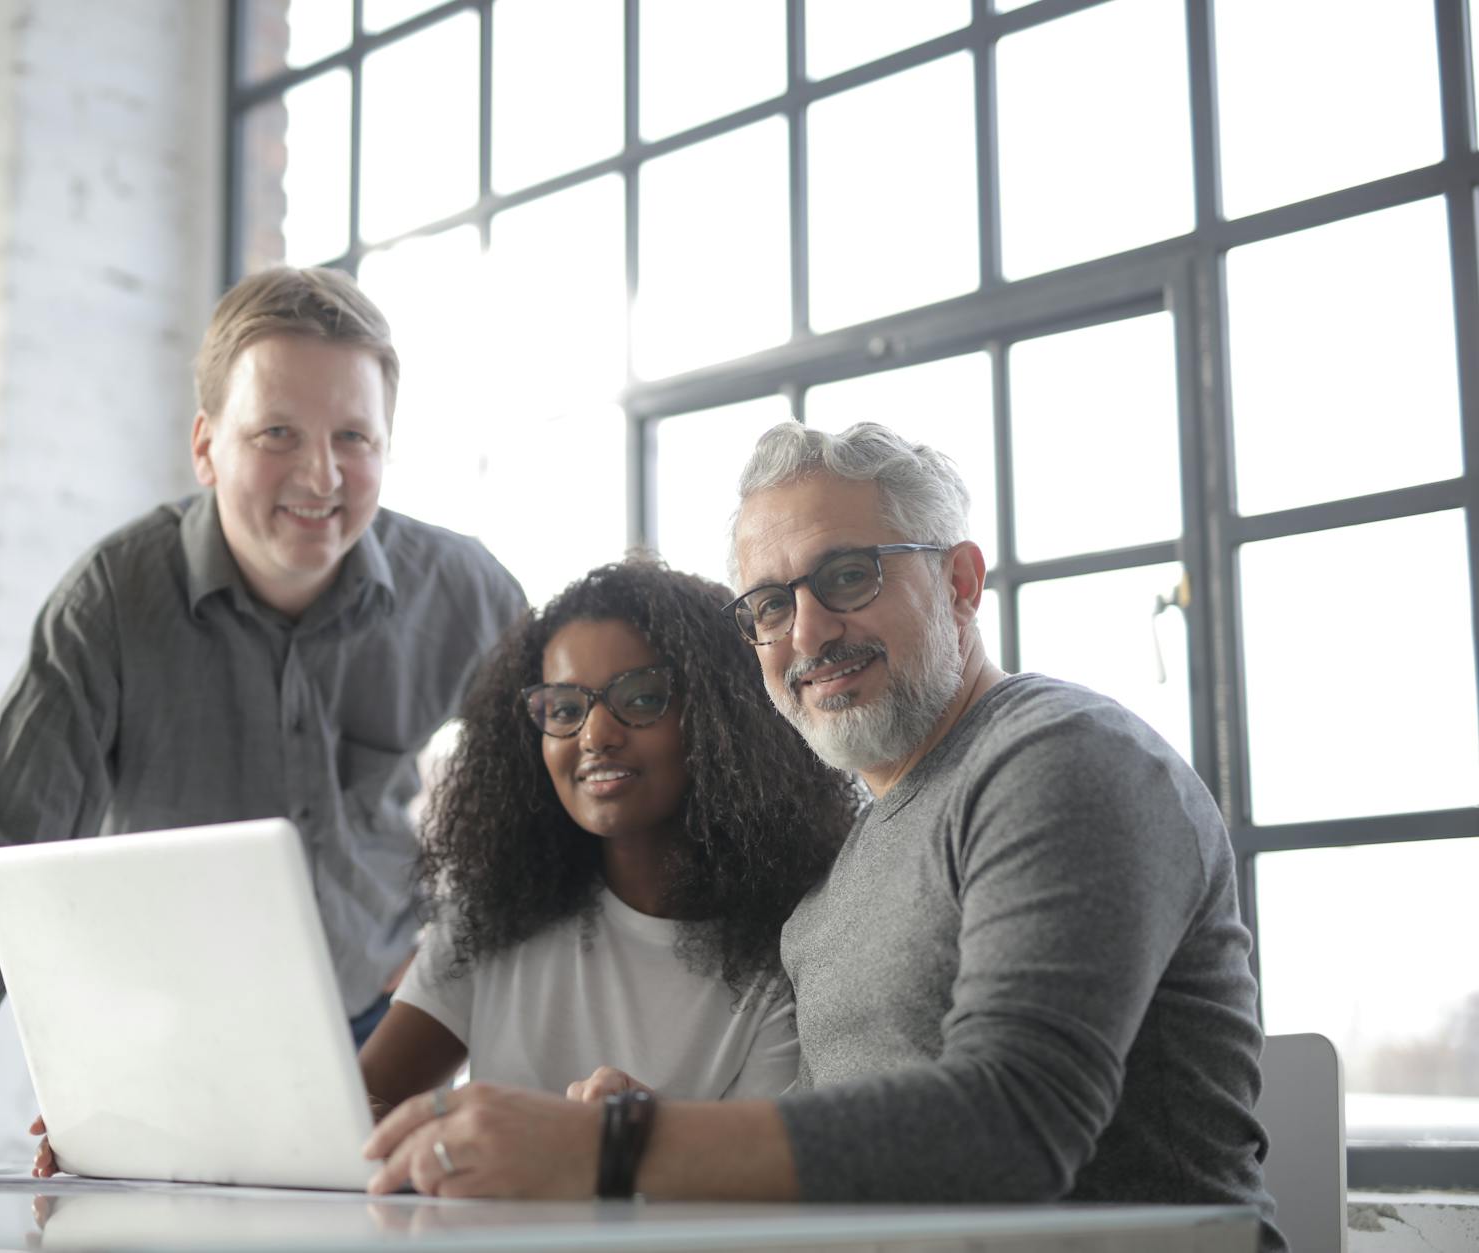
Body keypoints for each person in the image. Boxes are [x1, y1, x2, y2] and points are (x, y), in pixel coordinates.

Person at [363, 421, 1284, 1251]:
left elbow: (1015, 1125)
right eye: (768, 603)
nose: (807, 629)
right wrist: (655, 1126)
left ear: (960, 582)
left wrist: (616, 1146)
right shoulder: (840, 878)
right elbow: (848, 1150)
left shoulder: (1061, 758)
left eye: (848, 575)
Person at [0, 267, 525, 1176]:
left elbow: (558, 798)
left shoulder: (463, 592)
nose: (322, 474)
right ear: (205, 445)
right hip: (164, 1044)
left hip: (389, 1031)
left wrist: (450, 951)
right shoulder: (108, 603)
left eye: (355, 436)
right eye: (277, 433)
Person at [30, 557, 859, 1178]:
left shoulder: (789, 948)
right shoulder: (495, 913)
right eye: (563, 709)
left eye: (639, 697)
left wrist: (628, 1144)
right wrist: (139, 1126)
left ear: (715, 716)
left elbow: (769, 1191)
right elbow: (359, 1112)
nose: (594, 735)